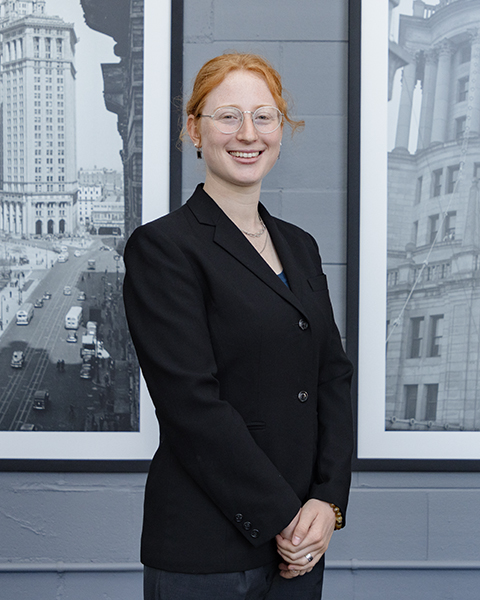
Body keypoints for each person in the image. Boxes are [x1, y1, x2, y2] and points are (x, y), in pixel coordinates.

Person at [123, 52, 354, 600]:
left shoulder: (300, 246)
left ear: (281, 129)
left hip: (302, 544)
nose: (247, 133)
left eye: (264, 116)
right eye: (228, 116)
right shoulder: (164, 247)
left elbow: (332, 378)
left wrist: (327, 502)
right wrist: (285, 520)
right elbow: (191, 405)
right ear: (194, 130)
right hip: (209, 550)